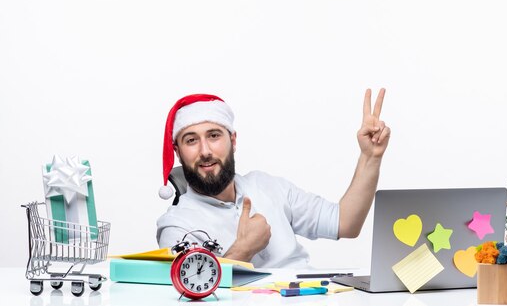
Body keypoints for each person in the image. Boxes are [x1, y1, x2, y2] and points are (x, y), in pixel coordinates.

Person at [156, 89, 390, 268]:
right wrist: (244, 249)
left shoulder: (268, 186)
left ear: (233, 141)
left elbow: (345, 223)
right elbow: (196, 289)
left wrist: (370, 156)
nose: (205, 150)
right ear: (178, 152)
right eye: (191, 140)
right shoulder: (176, 227)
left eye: (214, 135)